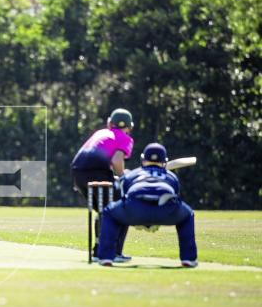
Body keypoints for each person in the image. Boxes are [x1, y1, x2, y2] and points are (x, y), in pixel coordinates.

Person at [97, 143, 198, 267]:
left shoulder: (133, 175)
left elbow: (124, 196)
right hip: (165, 208)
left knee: (109, 212)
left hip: (135, 207)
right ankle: (189, 258)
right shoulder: (171, 176)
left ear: (143, 159)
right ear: (164, 161)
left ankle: (106, 257)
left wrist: (138, 218)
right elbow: (175, 197)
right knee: (187, 215)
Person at [71, 108, 135, 262]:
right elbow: (116, 161)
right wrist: (123, 178)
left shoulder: (100, 133)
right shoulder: (125, 138)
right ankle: (113, 252)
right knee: (123, 206)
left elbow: (98, 161)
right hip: (96, 172)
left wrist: (117, 175)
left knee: (104, 209)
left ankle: (99, 251)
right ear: (130, 127)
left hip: (78, 171)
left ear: (109, 123)